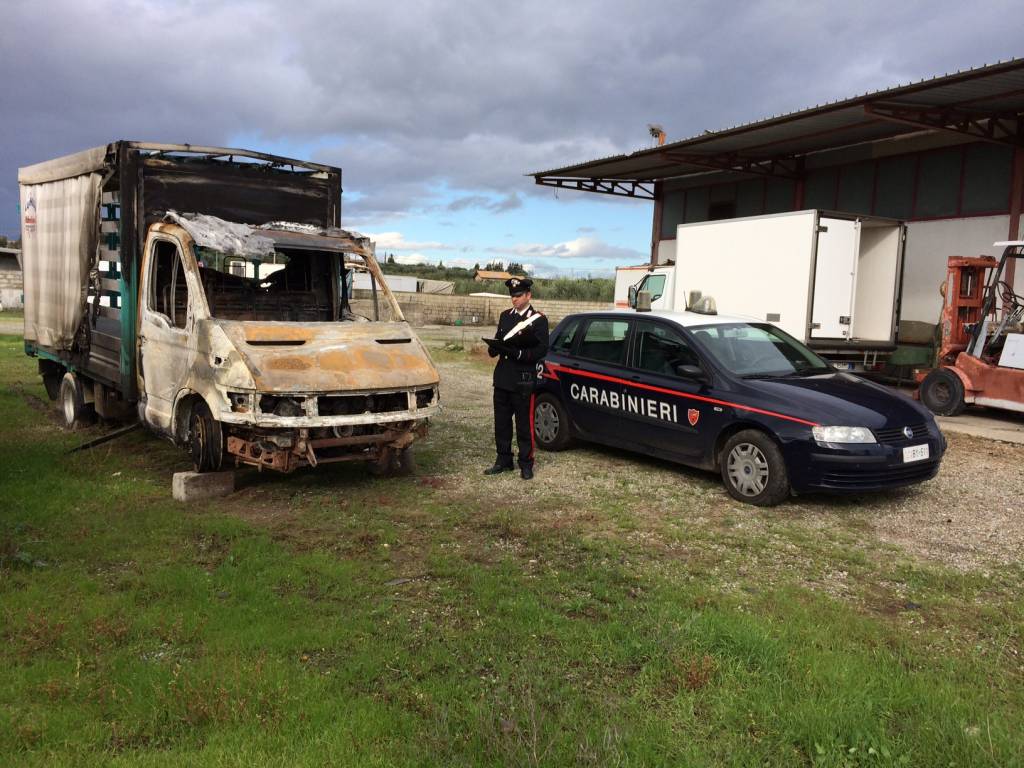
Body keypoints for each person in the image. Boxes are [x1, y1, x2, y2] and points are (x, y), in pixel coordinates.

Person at [483, 277, 549, 480]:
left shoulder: (538, 319)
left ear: (528, 295)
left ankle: (526, 463)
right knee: (501, 423)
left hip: (523, 379)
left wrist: (522, 355)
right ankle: (503, 459)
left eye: (519, 295)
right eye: (512, 296)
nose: (514, 299)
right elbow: (501, 339)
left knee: (523, 424)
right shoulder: (505, 316)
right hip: (503, 377)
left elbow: (541, 349)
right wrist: (493, 348)